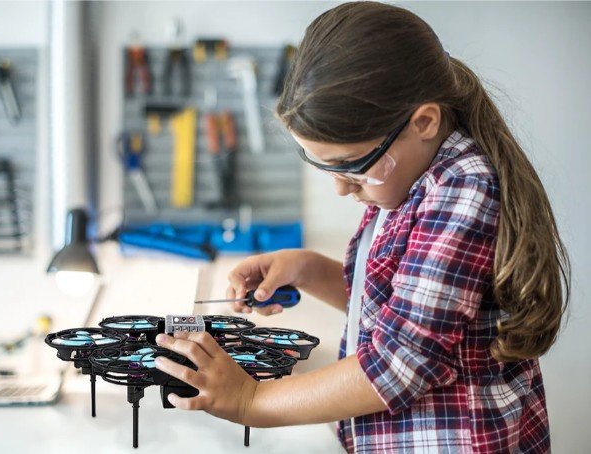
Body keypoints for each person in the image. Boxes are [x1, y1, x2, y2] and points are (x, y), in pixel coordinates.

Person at [152, 2, 570, 452]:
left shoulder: (461, 189)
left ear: (424, 123)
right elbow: (394, 312)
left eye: (352, 167)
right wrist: (306, 269)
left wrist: (251, 399)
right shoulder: (403, 180)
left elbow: (399, 365)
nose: (341, 189)